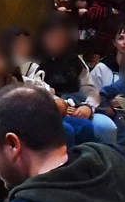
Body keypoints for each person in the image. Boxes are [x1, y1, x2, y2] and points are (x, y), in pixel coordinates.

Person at [32, 12, 116, 143]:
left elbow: (89, 88)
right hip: (49, 111)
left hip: (78, 106)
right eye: (52, 37)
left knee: (107, 127)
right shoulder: (34, 61)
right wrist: (61, 105)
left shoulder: (75, 60)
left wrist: (87, 106)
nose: (57, 42)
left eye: (61, 38)